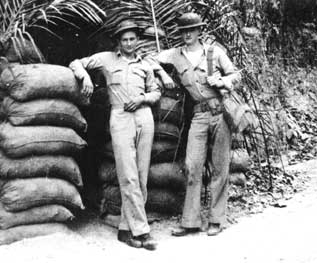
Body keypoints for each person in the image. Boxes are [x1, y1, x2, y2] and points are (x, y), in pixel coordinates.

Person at [69, 20, 160, 250]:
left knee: (141, 176)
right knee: (127, 176)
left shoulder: (146, 64)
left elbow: (156, 92)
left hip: (144, 117)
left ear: (137, 40)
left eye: (133, 39)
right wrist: (85, 77)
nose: (129, 43)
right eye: (125, 39)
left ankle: (124, 229)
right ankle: (142, 230)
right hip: (121, 119)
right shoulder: (107, 59)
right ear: (118, 42)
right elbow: (76, 63)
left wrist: (143, 99)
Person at [153, 12, 241, 236]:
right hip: (199, 115)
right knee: (192, 166)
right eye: (183, 31)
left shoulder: (214, 52)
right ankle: (190, 221)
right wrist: (162, 75)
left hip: (221, 112)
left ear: (199, 31)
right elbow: (150, 59)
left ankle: (216, 219)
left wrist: (221, 80)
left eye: (191, 30)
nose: (187, 34)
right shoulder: (175, 55)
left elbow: (236, 76)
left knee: (220, 166)